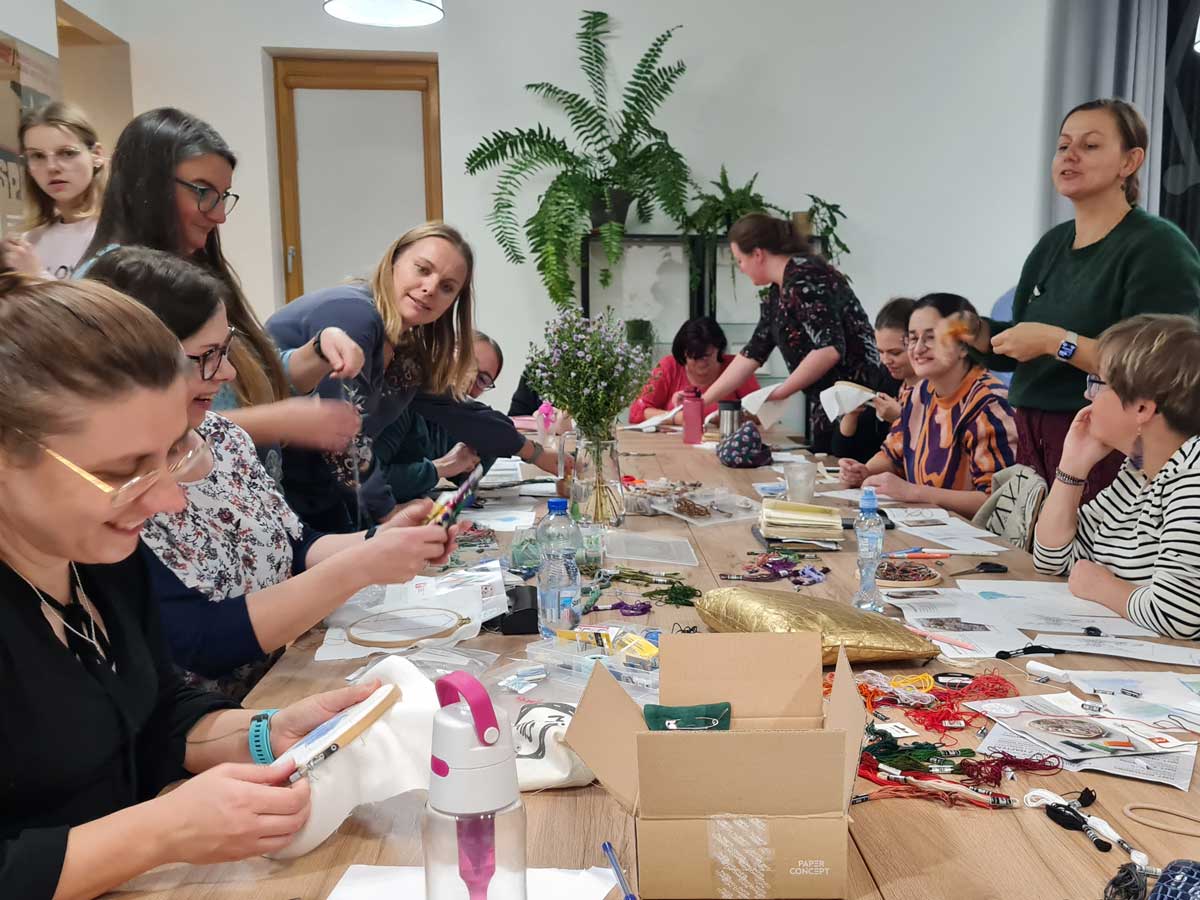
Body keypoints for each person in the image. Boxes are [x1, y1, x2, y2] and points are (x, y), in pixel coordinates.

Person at [0, 273, 392, 899]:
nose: (167, 499)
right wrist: (162, 832)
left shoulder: (99, 560)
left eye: (172, 454)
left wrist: (264, 733)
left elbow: (154, 709)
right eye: (123, 472)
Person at [86, 247, 461, 697]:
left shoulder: (224, 437)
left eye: (226, 350)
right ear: (136, 364)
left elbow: (294, 545)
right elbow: (200, 642)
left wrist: (379, 540)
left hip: (280, 688)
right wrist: (361, 565)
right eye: (207, 355)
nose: (227, 372)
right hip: (214, 721)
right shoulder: (114, 491)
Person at [941, 98, 1200, 502]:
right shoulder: (1052, 244)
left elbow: (1159, 366)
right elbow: (1024, 345)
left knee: (1088, 544)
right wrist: (980, 334)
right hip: (1032, 435)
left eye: (1090, 145)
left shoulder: (1158, 246)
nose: (1070, 155)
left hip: (1107, 440)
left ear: (1130, 161)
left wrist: (1055, 341)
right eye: (1063, 145)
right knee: (1035, 542)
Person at [78, 108, 363, 473]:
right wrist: (276, 421)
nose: (219, 215)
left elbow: (248, 378)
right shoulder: (108, 288)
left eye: (223, 195)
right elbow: (128, 423)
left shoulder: (191, 265)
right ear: (147, 184)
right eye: (203, 192)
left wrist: (319, 350)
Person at [267, 223, 535, 531]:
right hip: (268, 486)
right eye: (422, 269)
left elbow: (457, 410)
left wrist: (535, 452)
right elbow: (340, 438)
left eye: (447, 287)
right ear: (394, 260)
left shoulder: (406, 348)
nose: (430, 288)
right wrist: (388, 513)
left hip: (317, 494)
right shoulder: (356, 315)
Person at [1033, 315, 1200, 638]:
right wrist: (1072, 467)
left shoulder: (1192, 476)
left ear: (1142, 409)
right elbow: (1054, 560)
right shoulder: (1139, 471)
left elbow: (1179, 615)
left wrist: (1101, 587)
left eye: (1098, 383)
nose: (1088, 396)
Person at [697, 213, 884, 452]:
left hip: (854, 405)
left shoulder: (806, 276)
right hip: (828, 404)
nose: (740, 269)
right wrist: (701, 401)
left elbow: (829, 349)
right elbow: (753, 351)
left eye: (740, 260)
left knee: (840, 467)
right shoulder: (779, 291)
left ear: (757, 254)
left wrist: (781, 392)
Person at [840, 294, 1018, 518]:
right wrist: (864, 472)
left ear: (964, 346)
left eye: (932, 338)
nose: (918, 349)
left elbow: (998, 501)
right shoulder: (918, 394)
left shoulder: (989, 404)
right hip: (925, 528)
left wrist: (913, 492)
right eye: (913, 338)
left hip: (974, 535)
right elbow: (892, 454)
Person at [0, 102, 106, 279]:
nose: (52, 167)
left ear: (96, 155)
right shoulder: (29, 241)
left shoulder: (121, 233)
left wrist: (37, 276)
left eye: (67, 153)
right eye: (38, 156)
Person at [831, 297, 919, 463]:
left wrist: (900, 419)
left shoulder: (936, 390)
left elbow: (935, 453)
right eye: (880, 352)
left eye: (895, 353)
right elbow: (842, 450)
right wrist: (851, 415)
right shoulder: (886, 379)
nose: (886, 360)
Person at [628, 317, 761, 425]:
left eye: (706, 356)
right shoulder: (668, 367)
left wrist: (728, 416)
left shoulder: (736, 367)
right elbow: (637, 412)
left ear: (719, 349)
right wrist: (678, 418)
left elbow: (762, 413)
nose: (701, 363)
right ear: (683, 354)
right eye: (694, 357)